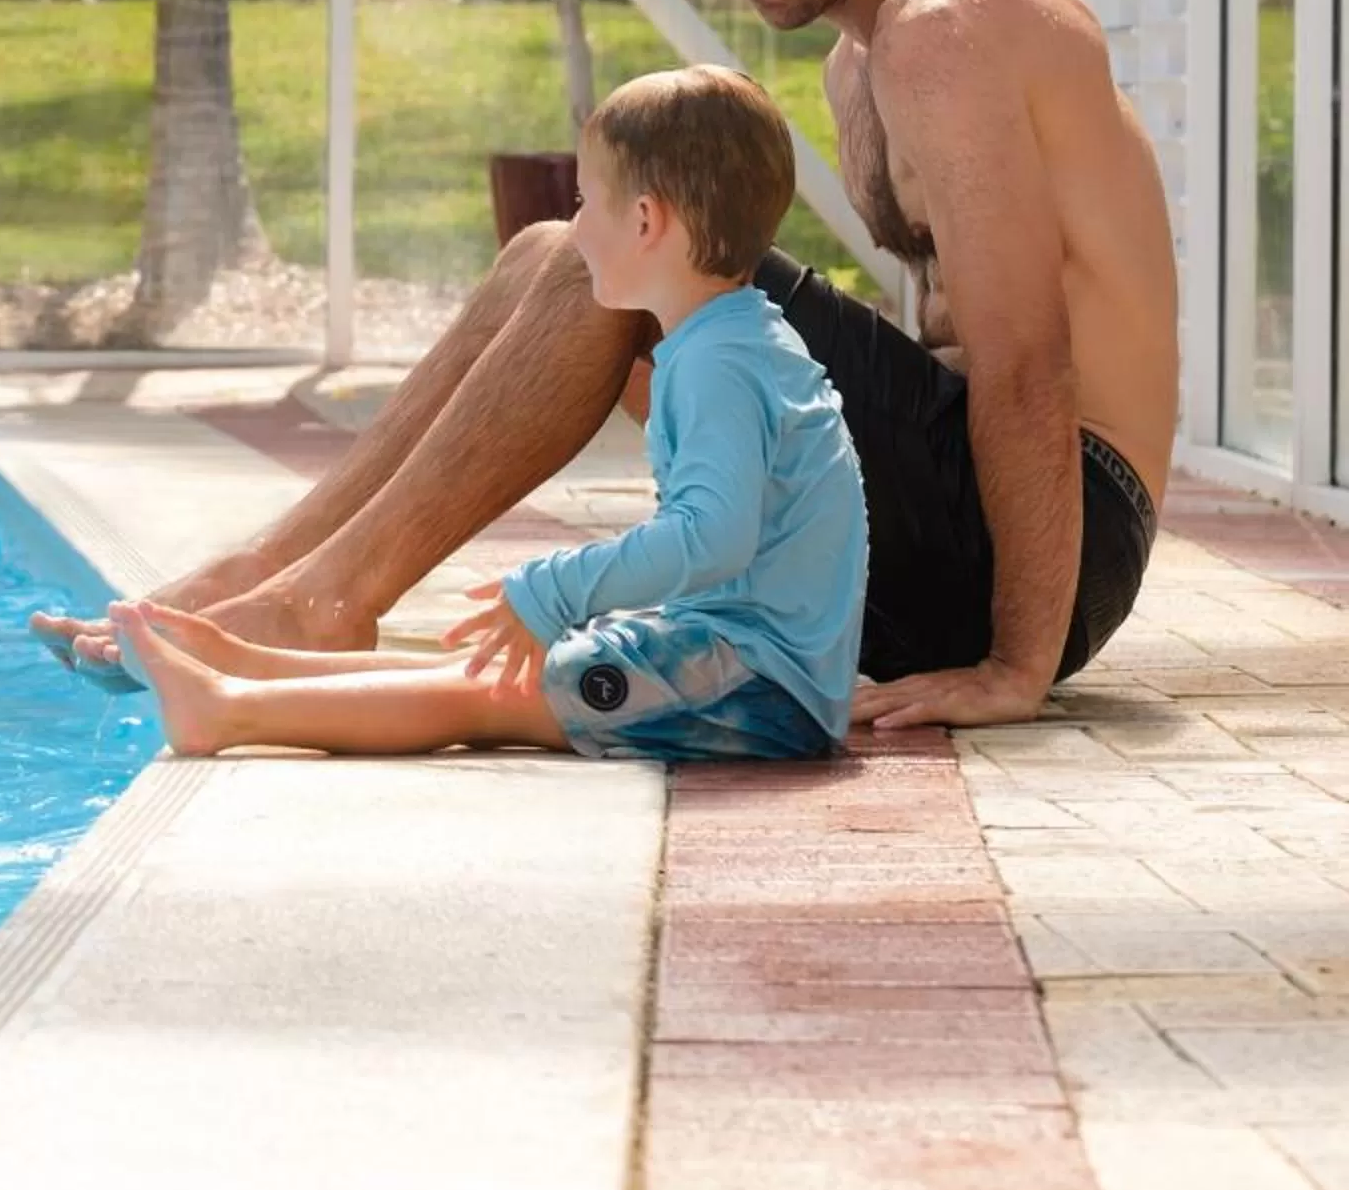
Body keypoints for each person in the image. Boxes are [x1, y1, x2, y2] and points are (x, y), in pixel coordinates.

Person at [38, 0, 1177, 732]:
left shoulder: (950, 19)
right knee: (567, 249)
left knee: (630, 258)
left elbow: (1029, 359)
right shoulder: (859, 63)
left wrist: (1019, 662)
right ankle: (279, 572)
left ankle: (322, 599)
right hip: (961, 514)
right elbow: (933, 354)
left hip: (1063, 536)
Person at [110, 65, 866, 762]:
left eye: (583, 202)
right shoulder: (729, 340)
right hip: (741, 660)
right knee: (492, 668)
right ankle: (262, 668)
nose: (572, 229)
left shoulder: (720, 364)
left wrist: (553, 589)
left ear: (644, 222)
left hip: (760, 691)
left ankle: (232, 711)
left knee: (489, 696)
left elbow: (711, 536)